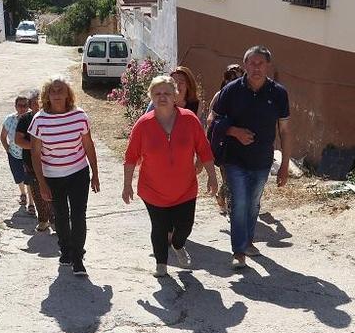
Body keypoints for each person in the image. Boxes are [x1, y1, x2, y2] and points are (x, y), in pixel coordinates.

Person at [123, 76, 218, 277]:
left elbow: (204, 150)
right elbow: (131, 157)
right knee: (159, 227)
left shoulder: (189, 120)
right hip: (153, 189)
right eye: (157, 93)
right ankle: (161, 264)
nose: (162, 97)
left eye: (167, 93)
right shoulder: (143, 124)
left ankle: (178, 244)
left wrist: (212, 176)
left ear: (176, 96)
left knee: (184, 226)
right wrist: (127, 185)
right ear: (151, 97)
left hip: (185, 189)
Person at [212, 46, 292, 269]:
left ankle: (247, 241)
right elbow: (215, 123)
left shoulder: (278, 93)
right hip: (234, 158)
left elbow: (285, 130)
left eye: (261, 63)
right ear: (245, 65)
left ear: (268, 66)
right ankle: (239, 251)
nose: (256, 68)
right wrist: (235, 132)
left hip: (262, 160)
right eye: (252, 63)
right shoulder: (231, 91)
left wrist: (284, 164)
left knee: (253, 203)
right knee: (239, 202)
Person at [29, 76, 100, 276]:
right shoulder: (39, 120)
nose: (57, 94)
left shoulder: (79, 116)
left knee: (79, 215)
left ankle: (78, 258)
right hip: (53, 176)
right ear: (47, 96)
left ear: (68, 94)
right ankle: (65, 249)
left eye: (61, 90)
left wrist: (95, 173)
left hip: (78, 173)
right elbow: (35, 154)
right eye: (53, 91)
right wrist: (41, 183)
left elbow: (88, 145)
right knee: (61, 215)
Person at [207, 64, 246, 214]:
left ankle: (223, 198)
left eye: (237, 76)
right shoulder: (220, 95)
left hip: (243, 146)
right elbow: (211, 120)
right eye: (230, 77)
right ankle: (232, 210)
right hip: (225, 144)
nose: (233, 80)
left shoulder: (248, 95)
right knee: (229, 178)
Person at [14, 90, 54, 232]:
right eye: (34, 102)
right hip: (31, 163)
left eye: (40, 101)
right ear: (31, 105)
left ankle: (55, 220)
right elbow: (18, 139)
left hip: (51, 162)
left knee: (53, 191)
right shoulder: (25, 119)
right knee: (37, 192)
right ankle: (43, 220)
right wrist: (35, 145)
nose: (38, 104)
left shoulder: (52, 117)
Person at [0, 95, 35, 215]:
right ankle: (22, 193)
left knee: (29, 179)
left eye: (25, 105)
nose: (23, 108)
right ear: (15, 107)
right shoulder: (10, 120)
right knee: (18, 177)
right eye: (20, 105)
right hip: (14, 154)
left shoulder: (32, 119)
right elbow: (3, 136)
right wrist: (7, 150)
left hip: (28, 155)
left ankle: (31, 203)